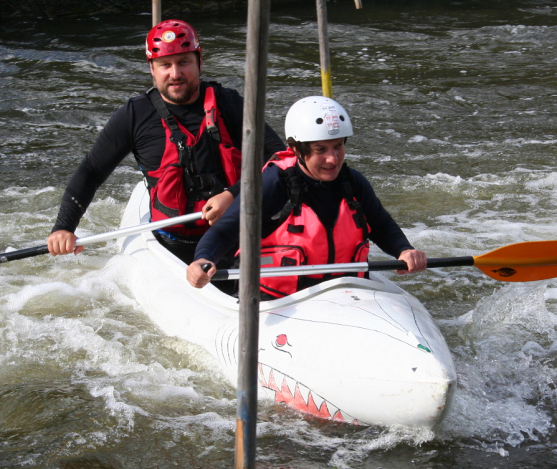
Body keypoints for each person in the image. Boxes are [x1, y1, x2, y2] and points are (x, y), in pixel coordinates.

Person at [47, 19, 286, 263]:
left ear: (199, 61)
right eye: (165, 65)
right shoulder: (133, 115)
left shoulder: (230, 103)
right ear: (152, 68)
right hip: (174, 243)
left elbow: (279, 157)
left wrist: (234, 195)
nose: (175, 74)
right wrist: (64, 227)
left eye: (184, 62)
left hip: (236, 234)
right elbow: (92, 171)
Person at [186, 96, 427, 298]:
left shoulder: (353, 182)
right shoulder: (273, 184)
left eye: (338, 146)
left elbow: (381, 224)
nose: (333, 159)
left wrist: (404, 250)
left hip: (345, 296)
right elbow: (225, 231)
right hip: (277, 299)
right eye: (320, 150)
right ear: (295, 149)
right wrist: (202, 260)